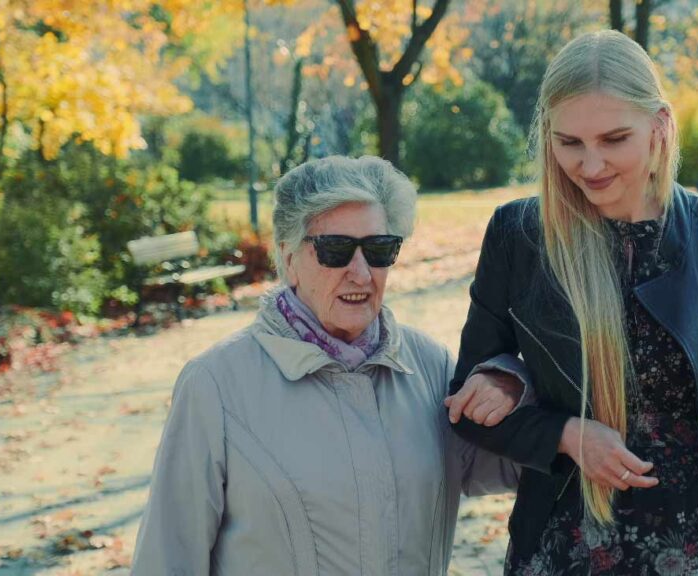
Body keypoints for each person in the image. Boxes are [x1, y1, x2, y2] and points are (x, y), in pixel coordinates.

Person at [446, 31, 698, 575]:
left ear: (659, 125)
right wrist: (566, 434)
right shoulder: (520, 235)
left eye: (613, 138)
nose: (590, 165)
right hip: (564, 549)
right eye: (569, 142)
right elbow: (464, 406)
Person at [132, 155, 527, 574]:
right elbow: (168, 557)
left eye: (379, 250)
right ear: (288, 260)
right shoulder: (214, 386)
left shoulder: (429, 366)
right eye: (335, 250)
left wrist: (515, 386)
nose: (360, 273)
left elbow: (519, 462)